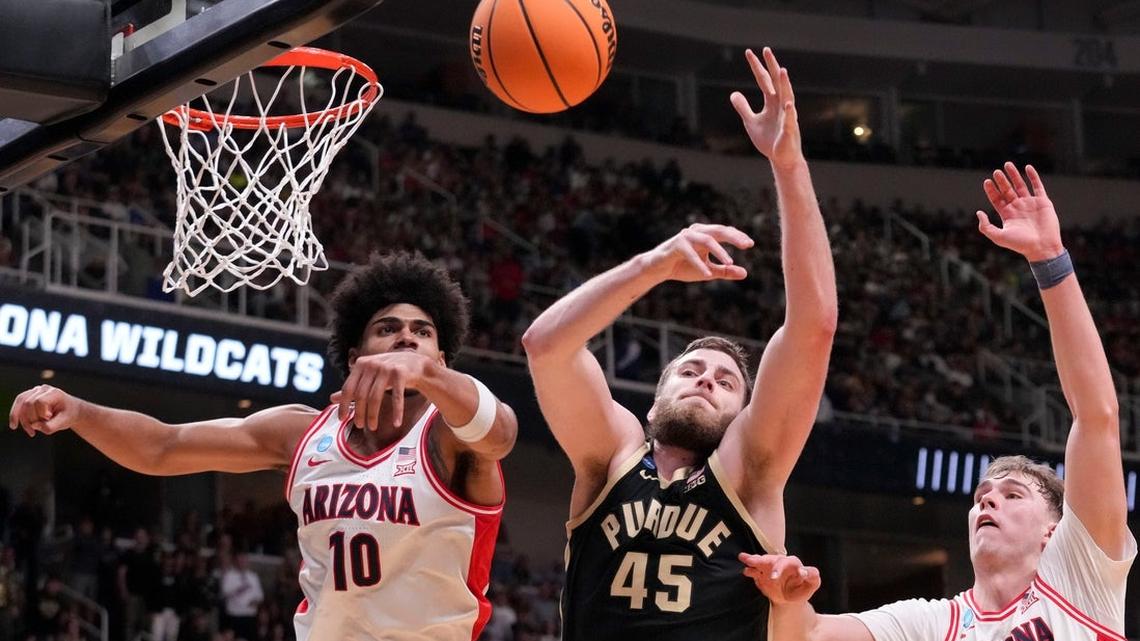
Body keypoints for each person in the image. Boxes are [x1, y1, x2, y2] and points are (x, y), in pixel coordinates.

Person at [8, 251, 519, 641]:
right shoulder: (304, 433)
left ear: (442, 357)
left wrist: (428, 376)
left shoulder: (451, 435)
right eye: (389, 329)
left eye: (422, 333)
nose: (407, 339)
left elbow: (502, 433)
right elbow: (164, 446)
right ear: (357, 352)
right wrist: (80, 411)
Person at [742, 163, 1135, 641]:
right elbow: (806, 635)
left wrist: (1050, 259)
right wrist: (787, 602)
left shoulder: (1080, 575)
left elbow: (1096, 416)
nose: (988, 498)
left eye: (1013, 495)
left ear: (1053, 531)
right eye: (982, 497)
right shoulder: (933, 623)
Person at [521, 47, 837, 641]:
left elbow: (814, 326)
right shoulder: (610, 457)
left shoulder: (749, 470)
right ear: (654, 397)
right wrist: (654, 264)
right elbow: (546, 347)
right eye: (690, 369)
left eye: (725, 382)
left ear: (745, 413)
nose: (706, 380)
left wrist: (789, 164)